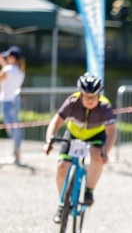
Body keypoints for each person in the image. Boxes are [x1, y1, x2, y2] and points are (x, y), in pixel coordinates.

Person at [42, 73, 117, 223]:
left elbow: (111, 132)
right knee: (62, 166)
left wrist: (105, 153)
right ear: (80, 95)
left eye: (93, 97)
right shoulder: (72, 102)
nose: (90, 100)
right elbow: (55, 123)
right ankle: (62, 204)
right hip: (74, 134)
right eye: (86, 97)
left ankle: (89, 190)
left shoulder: (105, 107)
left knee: (97, 156)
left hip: (95, 135)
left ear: (99, 96)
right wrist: (48, 141)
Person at [0, 46, 25, 164]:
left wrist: (3, 65)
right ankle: (17, 153)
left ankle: (16, 154)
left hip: (6, 102)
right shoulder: (20, 70)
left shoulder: (8, 70)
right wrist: (3, 63)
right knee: (16, 128)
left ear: (12, 58)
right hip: (15, 101)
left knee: (12, 129)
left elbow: (3, 77)